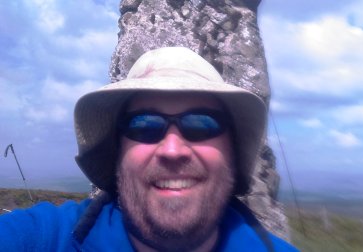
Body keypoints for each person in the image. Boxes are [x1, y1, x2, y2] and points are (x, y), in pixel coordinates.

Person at [0, 47, 298, 251]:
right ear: (118, 153)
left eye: (202, 124)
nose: (172, 149)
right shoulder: (45, 238)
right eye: (143, 125)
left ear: (231, 153)